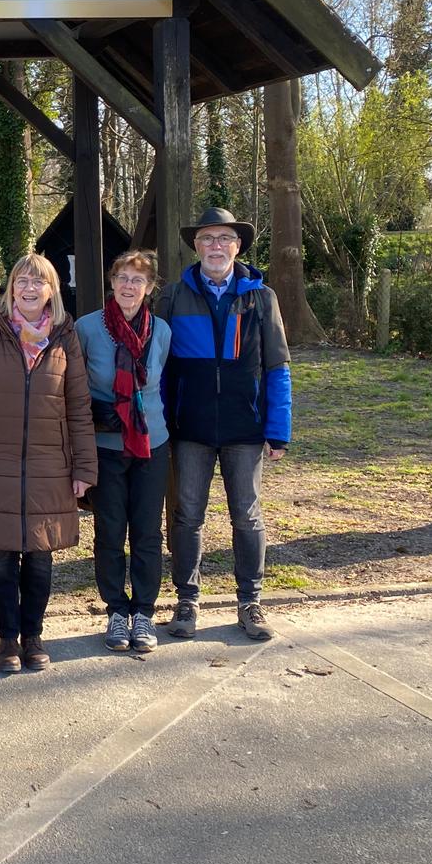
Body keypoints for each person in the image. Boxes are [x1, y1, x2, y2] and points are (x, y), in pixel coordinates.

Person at [0, 253, 98, 674]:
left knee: (42, 555)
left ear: (52, 290)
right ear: (11, 288)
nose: (30, 288)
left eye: (38, 281)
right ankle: (7, 638)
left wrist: (84, 467)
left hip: (50, 463)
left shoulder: (65, 337)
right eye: (22, 281)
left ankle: (34, 636)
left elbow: (79, 406)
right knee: (2, 554)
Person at [156, 207, 291, 642]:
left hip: (245, 428)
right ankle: (186, 602)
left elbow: (277, 367)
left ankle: (250, 602)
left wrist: (278, 429)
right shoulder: (173, 296)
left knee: (247, 517)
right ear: (196, 246)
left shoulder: (261, 298)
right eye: (208, 239)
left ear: (238, 246)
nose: (216, 246)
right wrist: (160, 424)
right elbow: (159, 369)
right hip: (190, 429)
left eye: (224, 239)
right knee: (186, 516)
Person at [75, 251, 173, 654]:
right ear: (111, 283)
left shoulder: (161, 331)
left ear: (149, 288)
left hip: (151, 443)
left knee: (148, 531)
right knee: (110, 531)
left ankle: (144, 612)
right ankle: (116, 610)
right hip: (105, 446)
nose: (129, 286)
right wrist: (96, 413)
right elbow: (72, 385)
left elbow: (164, 384)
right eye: (122, 278)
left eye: (138, 280)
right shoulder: (87, 328)